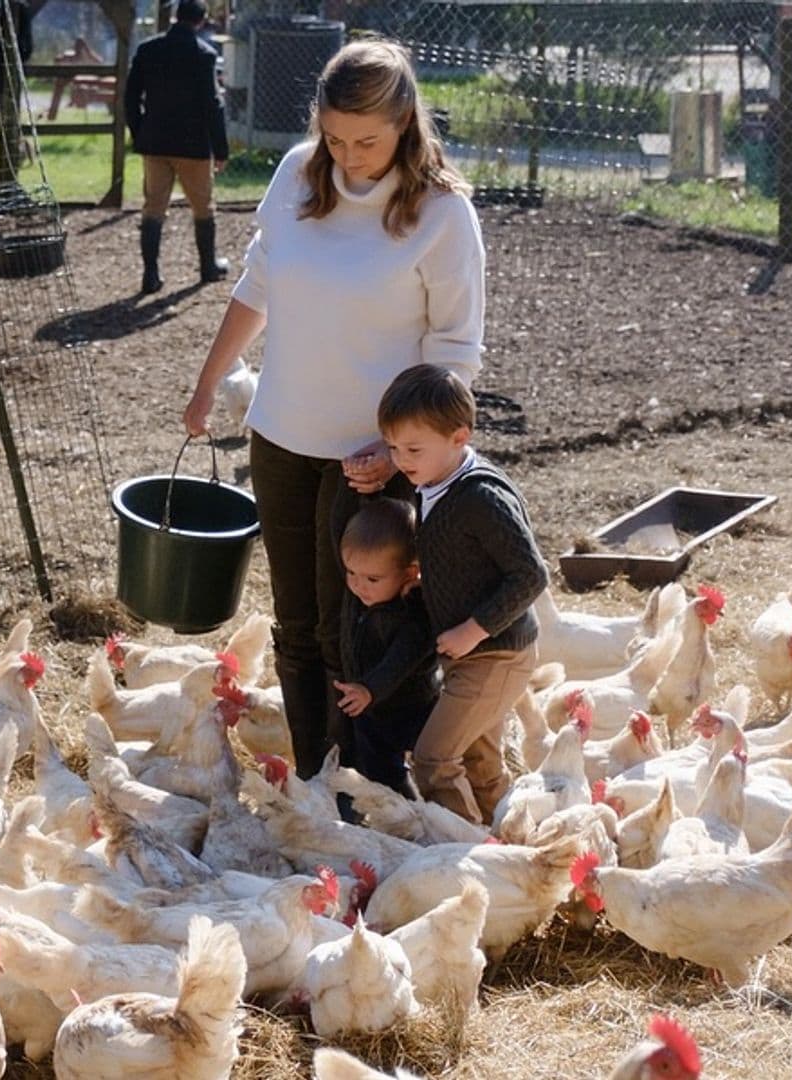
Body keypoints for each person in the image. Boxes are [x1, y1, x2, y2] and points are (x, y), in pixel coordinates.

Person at [181, 40, 485, 780]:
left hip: (374, 457)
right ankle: (315, 782)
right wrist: (207, 382)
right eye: (336, 137)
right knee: (295, 626)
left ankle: (367, 783)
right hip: (284, 433)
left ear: (406, 120)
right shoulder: (295, 174)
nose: (350, 156)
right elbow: (256, 286)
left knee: (357, 628)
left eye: (368, 141)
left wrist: (402, 452)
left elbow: (455, 350)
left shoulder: (444, 214)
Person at [378, 363, 547, 823]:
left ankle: (462, 848)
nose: (401, 460)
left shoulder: (480, 498)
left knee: (433, 758)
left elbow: (531, 575)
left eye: (413, 448)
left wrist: (474, 630)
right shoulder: (433, 480)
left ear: (459, 437)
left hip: (495, 654)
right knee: (479, 761)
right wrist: (428, 577)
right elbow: (462, 554)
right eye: (392, 447)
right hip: (474, 653)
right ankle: (512, 843)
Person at [123, 0, 231, 294]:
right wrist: (220, 149)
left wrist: (139, 132)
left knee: (154, 207)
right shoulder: (204, 55)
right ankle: (208, 267)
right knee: (203, 207)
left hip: (155, 142)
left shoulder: (148, 50)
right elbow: (213, 105)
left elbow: (131, 97)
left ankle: (150, 273)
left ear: (174, 17)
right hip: (193, 145)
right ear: (201, 20)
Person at [332, 498, 437, 796]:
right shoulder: (363, 594)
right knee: (379, 771)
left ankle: (421, 814)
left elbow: (401, 659)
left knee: (424, 764)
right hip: (371, 707)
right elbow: (336, 528)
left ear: (410, 574)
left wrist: (370, 688)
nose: (357, 585)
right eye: (351, 572)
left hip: (410, 706)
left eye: (372, 579)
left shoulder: (412, 615)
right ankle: (395, 814)